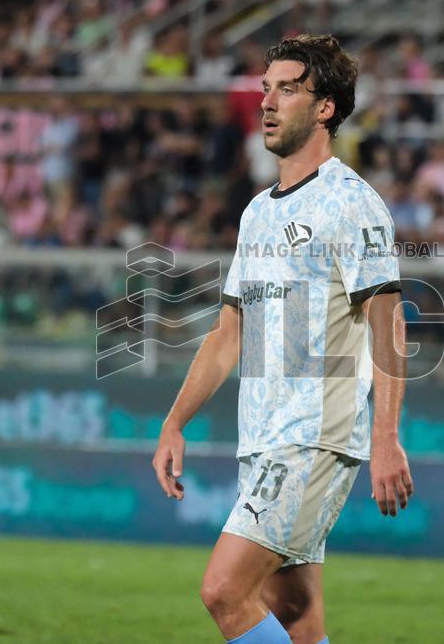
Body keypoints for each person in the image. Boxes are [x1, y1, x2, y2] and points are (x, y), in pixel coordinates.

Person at [152, 34, 414, 644]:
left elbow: (389, 321)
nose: (267, 102)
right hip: (264, 440)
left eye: (288, 89)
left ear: (325, 107)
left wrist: (386, 438)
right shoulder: (257, 213)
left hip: (313, 439)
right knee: (294, 615)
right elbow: (227, 333)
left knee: (223, 591)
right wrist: (175, 422)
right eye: (265, 88)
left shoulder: (351, 203)